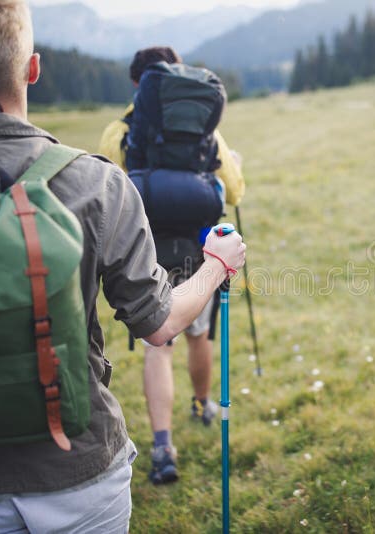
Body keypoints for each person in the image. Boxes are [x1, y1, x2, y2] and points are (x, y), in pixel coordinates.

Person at [0, 1, 245, 532]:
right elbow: (159, 322)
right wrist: (215, 265)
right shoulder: (94, 183)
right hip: (83, 472)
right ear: (32, 68)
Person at [99, 46, 245, 485]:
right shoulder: (201, 127)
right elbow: (233, 194)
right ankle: (202, 405)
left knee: (158, 345)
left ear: (136, 85)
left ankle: (163, 446)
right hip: (199, 254)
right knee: (197, 333)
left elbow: (106, 191)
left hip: (144, 253)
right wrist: (232, 168)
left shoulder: (120, 129)